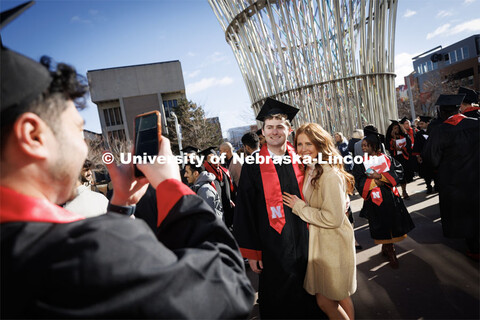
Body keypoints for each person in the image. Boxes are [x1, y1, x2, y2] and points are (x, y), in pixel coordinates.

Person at [0, 6, 254, 317]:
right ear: (34, 136)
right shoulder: (76, 257)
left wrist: (120, 205)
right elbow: (227, 285)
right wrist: (170, 185)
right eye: (78, 130)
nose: (83, 149)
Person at [234, 98, 323, 319]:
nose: (275, 132)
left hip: (307, 240)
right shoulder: (252, 165)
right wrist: (252, 251)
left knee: (311, 296)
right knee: (279, 300)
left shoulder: (303, 160)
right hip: (272, 245)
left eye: (280, 127)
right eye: (270, 127)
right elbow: (245, 210)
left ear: (289, 130)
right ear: (262, 132)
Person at [283, 123, 356, 320]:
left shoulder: (329, 173)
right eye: (299, 144)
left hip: (332, 243)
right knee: (339, 296)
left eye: (309, 143)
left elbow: (333, 218)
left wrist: (299, 208)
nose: (303, 148)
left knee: (326, 301)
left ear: (320, 144)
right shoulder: (310, 169)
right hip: (322, 242)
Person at [423, 94, 480, 261]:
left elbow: (430, 159)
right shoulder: (477, 124)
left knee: (467, 216)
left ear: (442, 112)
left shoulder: (440, 131)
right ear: (458, 108)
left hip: (456, 183)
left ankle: (475, 248)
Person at [353, 133, 415, 268]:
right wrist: (375, 181)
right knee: (382, 223)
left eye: (365, 145)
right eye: (362, 145)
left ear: (374, 146)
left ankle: (388, 247)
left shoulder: (387, 158)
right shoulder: (360, 162)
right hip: (374, 199)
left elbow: (398, 171)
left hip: (390, 196)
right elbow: (358, 179)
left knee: (392, 223)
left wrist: (380, 176)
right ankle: (389, 249)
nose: (363, 148)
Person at [201, 146, 235, 229]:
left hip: (228, 209)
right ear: (206, 161)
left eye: (215, 156)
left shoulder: (224, 170)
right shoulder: (205, 174)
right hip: (217, 211)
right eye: (211, 157)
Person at [385, 120, 414, 199]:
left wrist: (402, 149)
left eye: (397, 128)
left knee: (404, 175)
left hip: (404, 158)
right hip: (395, 159)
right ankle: (397, 192)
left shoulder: (405, 135)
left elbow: (409, 145)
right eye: (394, 128)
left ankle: (404, 191)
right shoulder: (389, 138)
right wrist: (393, 139)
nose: (396, 130)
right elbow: (388, 147)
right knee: (397, 176)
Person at [412, 116, 435, 194]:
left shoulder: (433, 131)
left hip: (434, 155)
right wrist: (418, 156)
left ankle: (437, 185)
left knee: (435, 172)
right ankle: (428, 186)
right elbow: (417, 146)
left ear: (427, 123)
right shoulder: (419, 134)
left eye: (422, 124)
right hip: (424, 156)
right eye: (420, 124)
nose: (420, 125)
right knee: (426, 173)